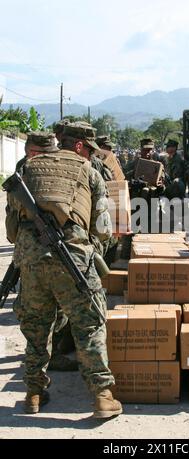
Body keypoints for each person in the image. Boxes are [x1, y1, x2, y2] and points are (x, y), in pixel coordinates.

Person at [8, 123, 122, 419]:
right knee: (89, 324)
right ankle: (101, 396)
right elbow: (104, 229)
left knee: (36, 328)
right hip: (73, 259)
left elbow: (11, 231)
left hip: (30, 263)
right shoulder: (89, 172)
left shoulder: (27, 168)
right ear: (80, 147)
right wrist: (91, 248)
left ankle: (34, 392)